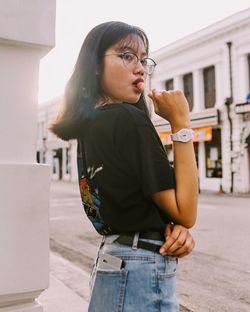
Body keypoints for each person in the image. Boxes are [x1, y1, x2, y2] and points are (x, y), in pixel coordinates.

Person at [50, 21, 198, 312]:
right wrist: (181, 123)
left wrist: (167, 225)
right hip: (139, 267)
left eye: (143, 59)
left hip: (112, 261)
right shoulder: (128, 119)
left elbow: (130, 202)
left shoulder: (91, 126)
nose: (140, 68)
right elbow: (186, 210)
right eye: (126, 55)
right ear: (94, 66)